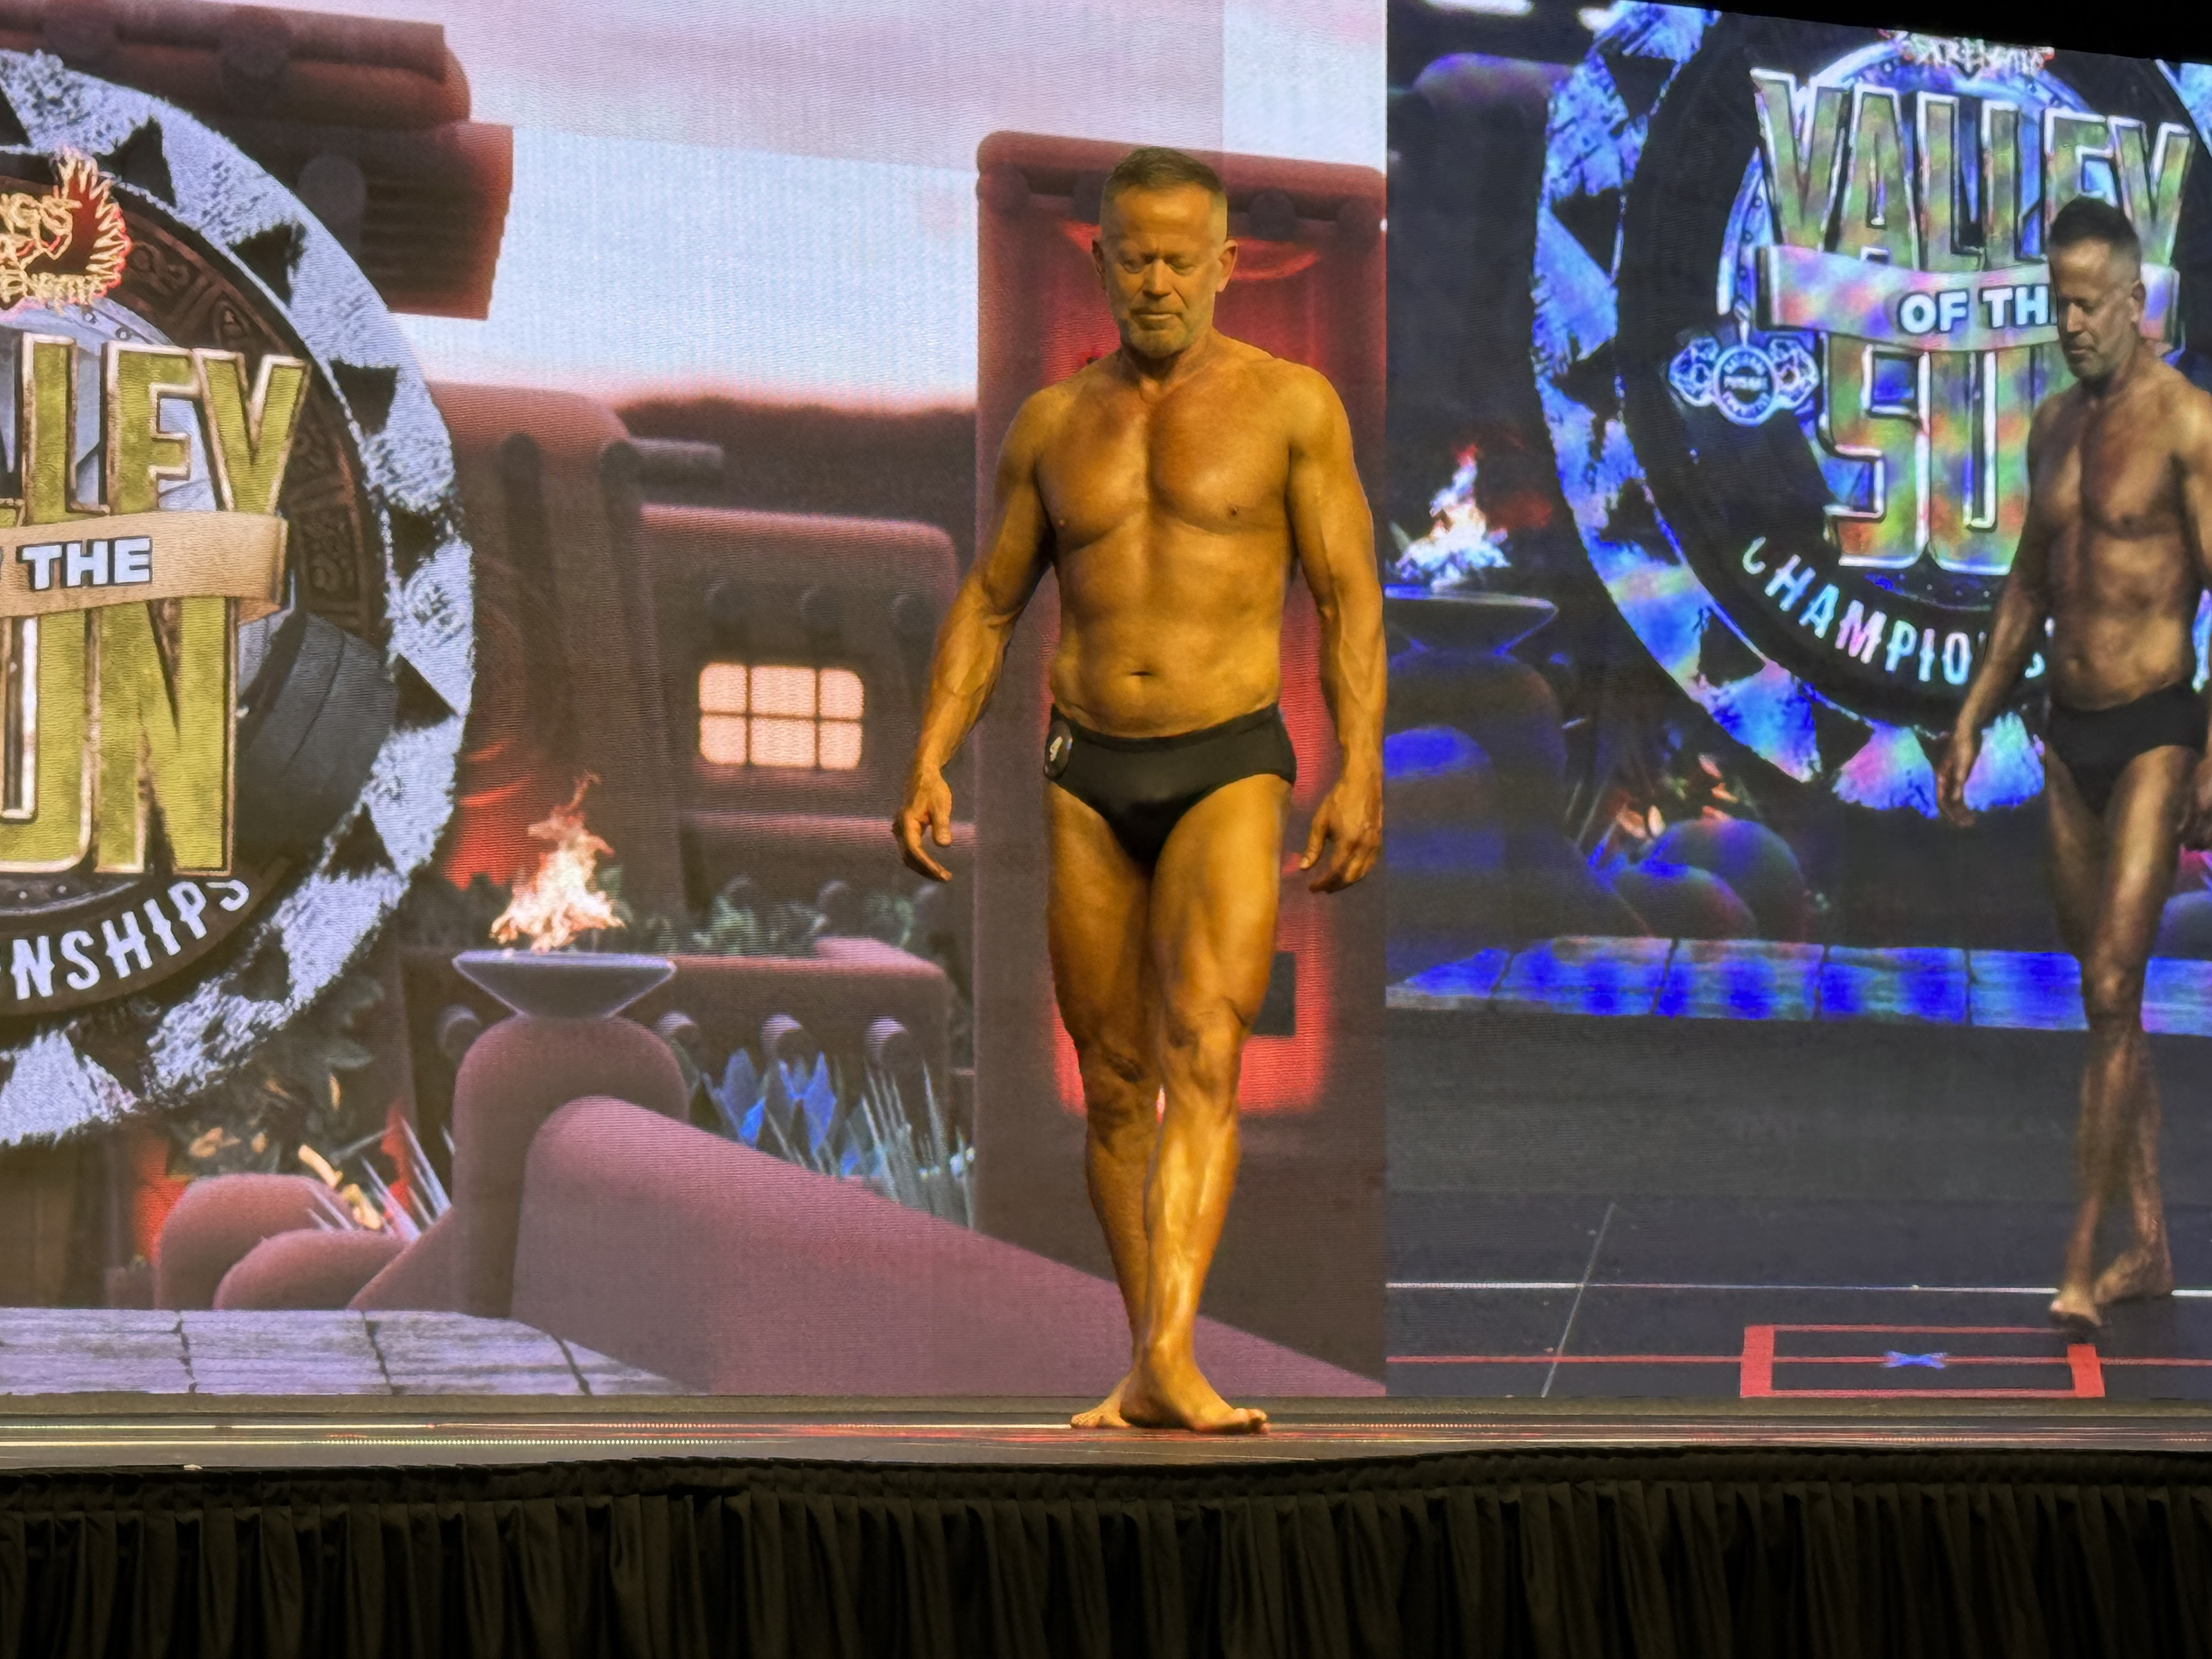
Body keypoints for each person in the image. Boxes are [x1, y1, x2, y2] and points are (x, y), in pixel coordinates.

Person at [892, 146, 1384, 1431]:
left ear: (1226, 266)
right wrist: (932, 753)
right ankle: (1148, 1354)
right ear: (1102, 262)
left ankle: (1171, 1357)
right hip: (1086, 765)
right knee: (1113, 1079)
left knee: (1204, 1048)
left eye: (1180, 259)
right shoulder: (1054, 425)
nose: (1157, 282)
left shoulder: (1292, 407)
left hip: (1228, 757)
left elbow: (1348, 599)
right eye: (1135, 258)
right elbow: (990, 603)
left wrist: (1361, 766)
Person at [1938, 194, 2212, 1330]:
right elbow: (2026, 588)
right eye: (2060, 303)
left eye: (2092, 304)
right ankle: (2150, 1245)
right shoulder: (2052, 425)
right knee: (2109, 1010)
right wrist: (1971, 717)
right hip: (2068, 740)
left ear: (2138, 302)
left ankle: (2079, 1263)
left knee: (2110, 987)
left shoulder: (2190, 425)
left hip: (2157, 730)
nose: (2073, 323)